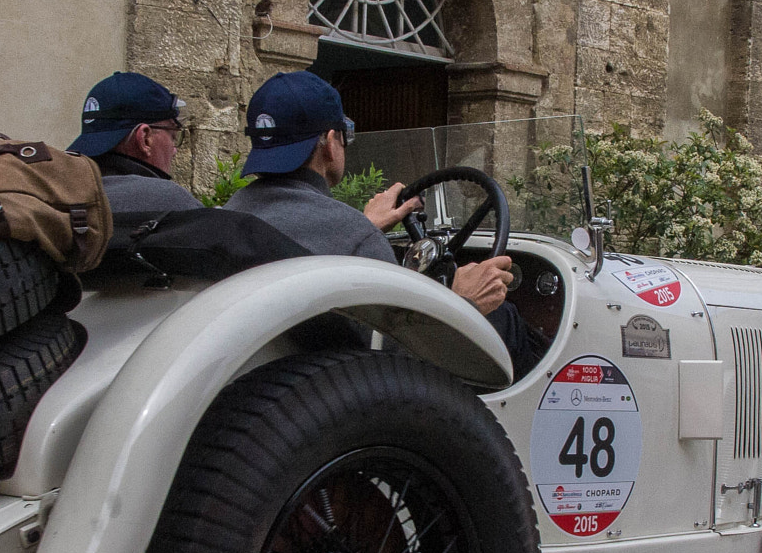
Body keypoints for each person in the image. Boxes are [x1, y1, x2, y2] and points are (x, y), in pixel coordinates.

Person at [224, 73, 541, 366]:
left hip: (264, 380)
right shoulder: (356, 239)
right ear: (331, 143)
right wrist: (457, 300)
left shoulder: (226, 216)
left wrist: (365, 226)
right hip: (345, 398)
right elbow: (392, 360)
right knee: (506, 319)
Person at [67, 71, 201, 211]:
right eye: (173, 137)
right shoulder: (173, 200)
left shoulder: (59, 191)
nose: (174, 150)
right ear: (145, 139)